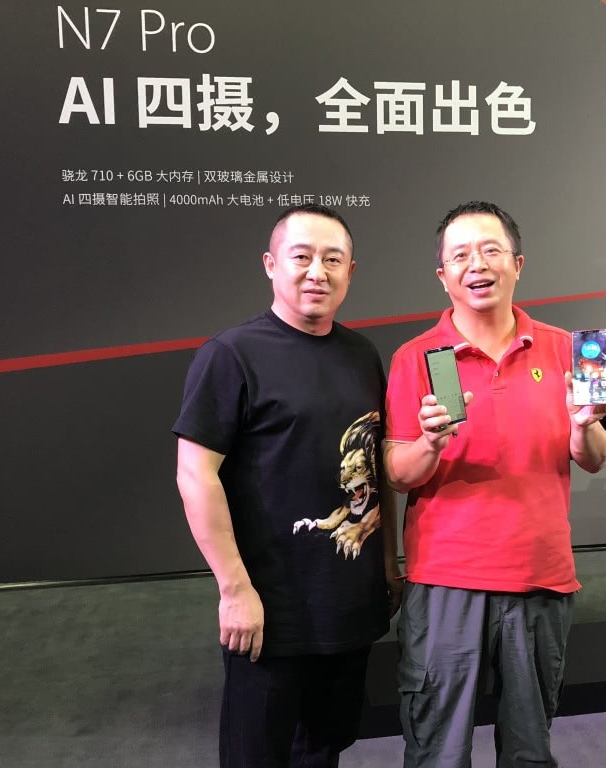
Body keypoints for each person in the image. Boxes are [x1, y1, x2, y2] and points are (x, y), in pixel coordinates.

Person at [383, 201, 606, 768]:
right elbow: (397, 472)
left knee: (529, 750)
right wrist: (430, 443)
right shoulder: (418, 358)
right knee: (438, 751)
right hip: (446, 578)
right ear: (443, 275)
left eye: (491, 250)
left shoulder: (564, 349)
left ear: (518, 264)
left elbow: (594, 459)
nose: (477, 264)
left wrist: (584, 425)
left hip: (541, 575)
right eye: (460, 255)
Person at [173, 204, 403, 768]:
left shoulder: (362, 355)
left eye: (333, 259)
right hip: (270, 609)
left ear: (351, 271)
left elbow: (375, 468)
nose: (317, 272)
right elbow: (194, 474)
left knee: (324, 749)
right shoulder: (231, 355)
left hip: (348, 603)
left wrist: (387, 565)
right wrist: (235, 590)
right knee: (257, 754)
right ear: (271, 264)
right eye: (302, 257)